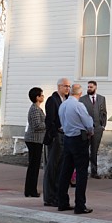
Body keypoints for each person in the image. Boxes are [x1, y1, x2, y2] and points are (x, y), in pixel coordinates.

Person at [56, 83, 95, 215]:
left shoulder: (63, 105)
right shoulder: (79, 105)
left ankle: (62, 201)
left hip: (67, 138)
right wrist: (91, 131)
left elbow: (61, 121)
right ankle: (80, 204)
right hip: (79, 138)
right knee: (81, 172)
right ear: (80, 93)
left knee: (65, 171)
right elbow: (88, 122)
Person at [41, 78, 71, 207]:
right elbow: (49, 120)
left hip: (65, 135)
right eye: (65, 86)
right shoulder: (52, 100)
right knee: (52, 167)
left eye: (69, 86)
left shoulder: (67, 100)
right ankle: (49, 197)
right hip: (56, 136)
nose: (67, 89)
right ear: (59, 86)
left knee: (60, 167)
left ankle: (57, 195)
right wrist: (54, 134)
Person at [80, 80, 107, 178]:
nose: (89, 89)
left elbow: (104, 113)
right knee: (84, 150)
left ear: (95, 87)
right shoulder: (82, 99)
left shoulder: (101, 98)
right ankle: (84, 171)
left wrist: (103, 125)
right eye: (88, 87)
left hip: (98, 129)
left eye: (91, 87)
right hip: (86, 129)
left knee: (94, 151)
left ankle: (94, 172)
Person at [24, 87, 47, 198]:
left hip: (37, 140)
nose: (43, 97)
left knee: (34, 166)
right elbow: (37, 125)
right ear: (37, 97)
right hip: (33, 140)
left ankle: (30, 189)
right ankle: (30, 190)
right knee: (33, 166)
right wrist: (48, 123)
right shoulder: (34, 109)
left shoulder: (38, 108)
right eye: (41, 95)